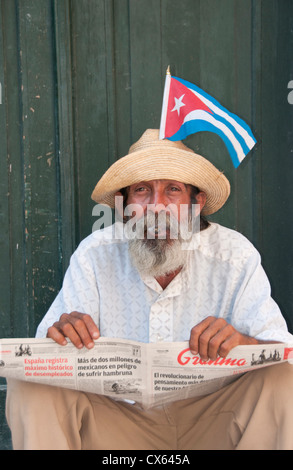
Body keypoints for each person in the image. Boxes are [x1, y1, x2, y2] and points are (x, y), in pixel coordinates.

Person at [6, 129, 293, 450]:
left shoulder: (234, 256)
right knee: (31, 383)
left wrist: (244, 343)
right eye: (142, 191)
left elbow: (284, 353)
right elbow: (43, 360)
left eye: (173, 190)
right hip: (116, 427)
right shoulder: (95, 254)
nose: (156, 207)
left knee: (283, 379)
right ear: (125, 204)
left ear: (196, 204)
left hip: (213, 422)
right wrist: (60, 338)